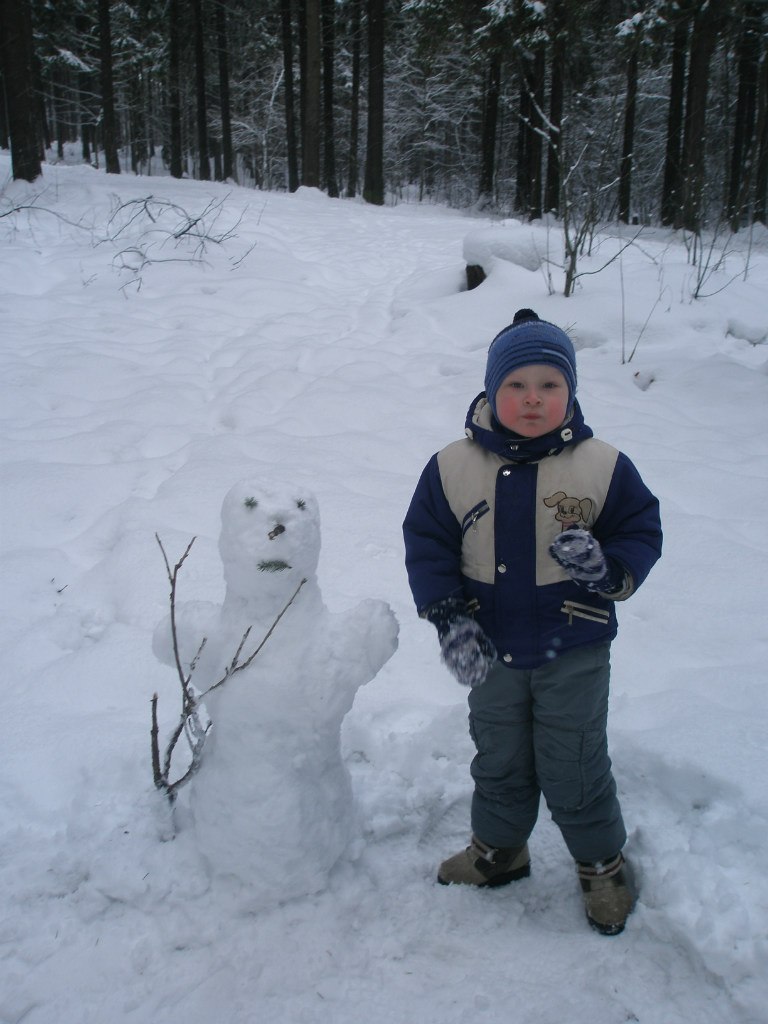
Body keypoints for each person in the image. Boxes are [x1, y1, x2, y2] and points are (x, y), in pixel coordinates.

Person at [402, 308, 662, 935]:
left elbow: (640, 531)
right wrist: (449, 621)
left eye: (550, 385)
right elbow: (428, 543)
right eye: (516, 385)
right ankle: (501, 851)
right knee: (499, 757)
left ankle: (601, 865)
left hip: (573, 645)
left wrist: (606, 568)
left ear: (571, 393)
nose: (532, 400)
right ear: (492, 391)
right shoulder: (451, 467)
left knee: (573, 759)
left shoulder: (602, 466)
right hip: (486, 649)